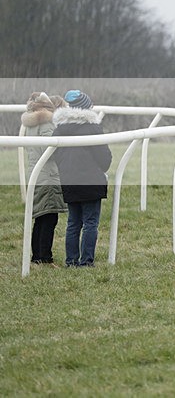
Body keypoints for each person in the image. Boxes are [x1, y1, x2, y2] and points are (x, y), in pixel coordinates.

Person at [52, 90, 113, 268]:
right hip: (91, 181)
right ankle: (86, 262)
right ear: (87, 107)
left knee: (73, 223)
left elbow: (56, 155)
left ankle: (71, 261)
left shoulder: (59, 129)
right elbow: (104, 158)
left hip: (69, 180)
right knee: (90, 223)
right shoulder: (92, 128)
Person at [21, 92, 68, 267]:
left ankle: (37, 256)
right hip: (48, 175)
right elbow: (49, 149)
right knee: (49, 218)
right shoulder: (47, 121)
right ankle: (44, 257)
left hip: (37, 173)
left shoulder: (31, 122)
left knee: (41, 218)